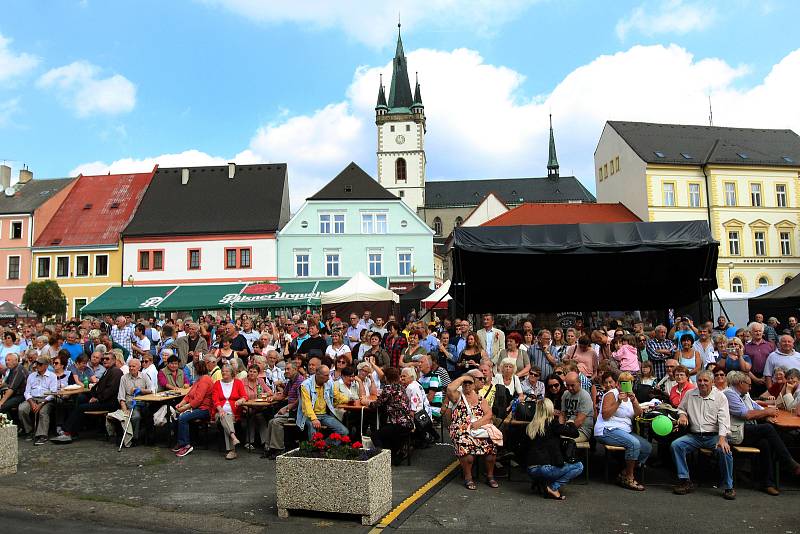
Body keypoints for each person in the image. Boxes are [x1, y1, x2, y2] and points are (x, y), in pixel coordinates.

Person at [723, 371, 800, 495]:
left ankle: (767, 483)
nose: (750, 387)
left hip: (747, 430)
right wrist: (766, 413)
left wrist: (766, 414)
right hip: (735, 432)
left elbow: (757, 408)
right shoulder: (729, 394)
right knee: (767, 429)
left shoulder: (745, 394)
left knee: (765, 442)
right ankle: (789, 463)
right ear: (740, 383)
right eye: (748, 384)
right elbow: (746, 414)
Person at [671, 369, 735, 499]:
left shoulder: (720, 397)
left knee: (725, 451)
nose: (702, 383)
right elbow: (681, 408)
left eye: (706, 380)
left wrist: (722, 439)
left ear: (712, 382)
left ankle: (729, 486)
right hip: (695, 435)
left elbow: (724, 419)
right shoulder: (690, 394)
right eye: (699, 380)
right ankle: (685, 480)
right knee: (676, 445)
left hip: (714, 436)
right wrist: (683, 415)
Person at [593, 371, 650, 491]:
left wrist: (634, 401)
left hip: (624, 431)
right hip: (607, 429)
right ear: (618, 383)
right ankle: (629, 477)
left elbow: (639, 415)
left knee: (646, 447)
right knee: (634, 444)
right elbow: (605, 415)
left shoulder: (631, 397)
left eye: (629, 383)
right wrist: (618, 401)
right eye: (623, 383)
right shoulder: (611, 394)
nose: (625, 386)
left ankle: (624, 473)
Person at [52, 351, 123, 443]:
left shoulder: (115, 371)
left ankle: (67, 432)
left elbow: (110, 390)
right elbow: (99, 386)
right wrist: (93, 395)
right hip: (103, 399)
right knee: (80, 399)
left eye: (107, 359)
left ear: (114, 360)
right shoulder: (108, 370)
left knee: (81, 408)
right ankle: (74, 430)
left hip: (109, 403)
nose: (104, 361)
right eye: (103, 359)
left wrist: (97, 398)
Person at [521, 398, 583, 499]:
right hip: (545, 469)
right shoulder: (552, 424)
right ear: (550, 409)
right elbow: (575, 433)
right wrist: (571, 422)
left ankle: (541, 482)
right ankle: (553, 487)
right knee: (579, 466)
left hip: (530, 469)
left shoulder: (530, 426)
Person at [446, 372, 499, 489]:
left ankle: (490, 476)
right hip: (461, 429)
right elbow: (450, 388)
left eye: (470, 382)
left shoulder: (481, 399)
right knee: (467, 453)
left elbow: (489, 414)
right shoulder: (458, 396)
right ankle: (468, 477)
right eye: (465, 382)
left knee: (491, 447)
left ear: (474, 384)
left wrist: (479, 423)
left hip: (478, 429)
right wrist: (465, 377)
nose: (467, 384)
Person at [366, 367, 414, 464]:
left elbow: (376, 405)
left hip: (398, 424)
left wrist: (366, 402)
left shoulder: (388, 388)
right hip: (408, 423)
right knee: (386, 432)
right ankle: (394, 456)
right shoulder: (401, 387)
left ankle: (383, 458)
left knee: (375, 435)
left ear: (387, 378)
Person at [262, 361, 305, 459]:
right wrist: (273, 398)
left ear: (295, 370)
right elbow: (284, 395)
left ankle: (278, 449)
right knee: (271, 421)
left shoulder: (300, 381)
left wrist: (287, 407)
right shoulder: (291, 381)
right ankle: (268, 448)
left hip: (297, 412)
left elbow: (301, 399)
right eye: (285, 369)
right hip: (290, 410)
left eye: (288, 369)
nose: (286, 371)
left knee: (276, 422)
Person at [173, 360, 214, 457]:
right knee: (176, 415)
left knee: (183, 417)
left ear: (197, 370)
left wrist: (184, 408)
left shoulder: (205, 380)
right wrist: (180, 404)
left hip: (205, 409)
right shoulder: (198, 380)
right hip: (197, 408)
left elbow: (198, 400)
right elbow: (188, 395)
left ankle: (186, 445)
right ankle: (181, 441)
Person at [297, 365, 349, 440]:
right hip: (309, 416)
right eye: (326, 375)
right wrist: (314, 419)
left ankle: (325, 446)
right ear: (317, 375)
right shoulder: (305, 385)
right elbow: (306, 404)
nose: (328, 378)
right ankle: (314, 449)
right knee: (314, 433)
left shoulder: (329, 383)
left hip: (324, 415)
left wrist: (350, 400)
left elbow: (337, 396)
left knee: (344, 432)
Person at [18, 355, 57, 444]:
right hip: (33, 398)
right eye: (37, 364)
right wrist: (31, 402)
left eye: (40, 364)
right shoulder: (31, 376)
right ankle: (29, 431)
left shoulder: (52, 376)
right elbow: (26, 392)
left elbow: (53, 393)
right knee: (22, 409)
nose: (38, 366)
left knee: (43, 411)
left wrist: (41, 403)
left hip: (46, 399)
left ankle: (42, 435)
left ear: (46, 366)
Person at [212, 364, 247, 460]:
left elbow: (244, 396)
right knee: (224, 416)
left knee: (226, 418)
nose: (224, 372)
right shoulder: (217, 384)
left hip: (234, 413)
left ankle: (231, 448)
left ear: (232, 373)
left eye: (227, 371)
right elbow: (215, 400)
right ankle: (232, 445)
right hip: (218, 413)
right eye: (223, 371)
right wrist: (220, 410)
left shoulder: (238, 383)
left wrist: (241, 400)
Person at [116, 358, 152, 446]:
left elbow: (151, 390)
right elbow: (121, 396)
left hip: (144, 402)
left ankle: (150, 438)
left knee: (150, 415)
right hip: (131, 402)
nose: (131, 368)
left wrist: (140, 390)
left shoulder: (144, 376)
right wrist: (125, 409)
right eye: (130, 366)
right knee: (136, 416)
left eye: (133, 366)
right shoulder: (124, 378)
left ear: (139, 367)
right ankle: (135, 438)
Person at [401, 366, 436, 445]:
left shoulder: (411, 387)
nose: (402, 378)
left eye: (404, 376)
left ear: (411, 377)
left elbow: (414, 401)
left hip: (418, 413)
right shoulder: (415, 383)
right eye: (401, 376)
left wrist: (412, 413)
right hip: (424, 411)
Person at [561, 372, 594, 442]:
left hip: (582, 430)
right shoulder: (565, 394)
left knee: (564, 440)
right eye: (567, 385)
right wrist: (560, 427)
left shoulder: (585, 396)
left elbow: (579, 421)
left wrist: (565, 431)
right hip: (568, 427)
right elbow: (562, 414)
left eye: (572, 385)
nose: (570, 388)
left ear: (579, 383)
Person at [418, 354, 450, 420]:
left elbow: (430, 398)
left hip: (432, 410)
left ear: (428, 365)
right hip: (424, 408)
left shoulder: (434, 378)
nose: (419, 364)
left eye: (421, 362)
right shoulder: (421, 378)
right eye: (419, 362)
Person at [0, 353, 28, 418]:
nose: (6, 362)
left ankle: (12, 425)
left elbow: (11, 388)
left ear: (15, 360)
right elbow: (6, 383)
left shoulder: (19, 370)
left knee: (2, 406)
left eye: (9, 360)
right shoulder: (12, 369)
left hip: (22, 395)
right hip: (15, 395)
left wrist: (1, 402)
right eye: (6, 360)